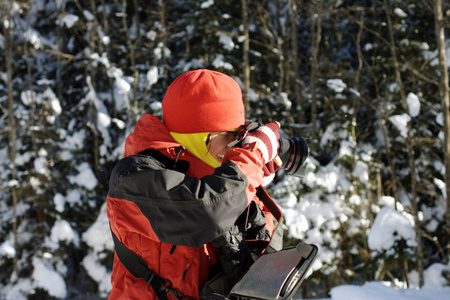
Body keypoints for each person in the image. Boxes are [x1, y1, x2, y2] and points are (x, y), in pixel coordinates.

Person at [107, 69, 284, 300]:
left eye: (240, 135)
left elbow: (261, 263)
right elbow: (208, 212)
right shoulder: (132, 177)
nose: (235, 145)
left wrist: (255, 181)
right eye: (229, 135)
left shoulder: (217, 177)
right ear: (198, 136)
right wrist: (249, 161)